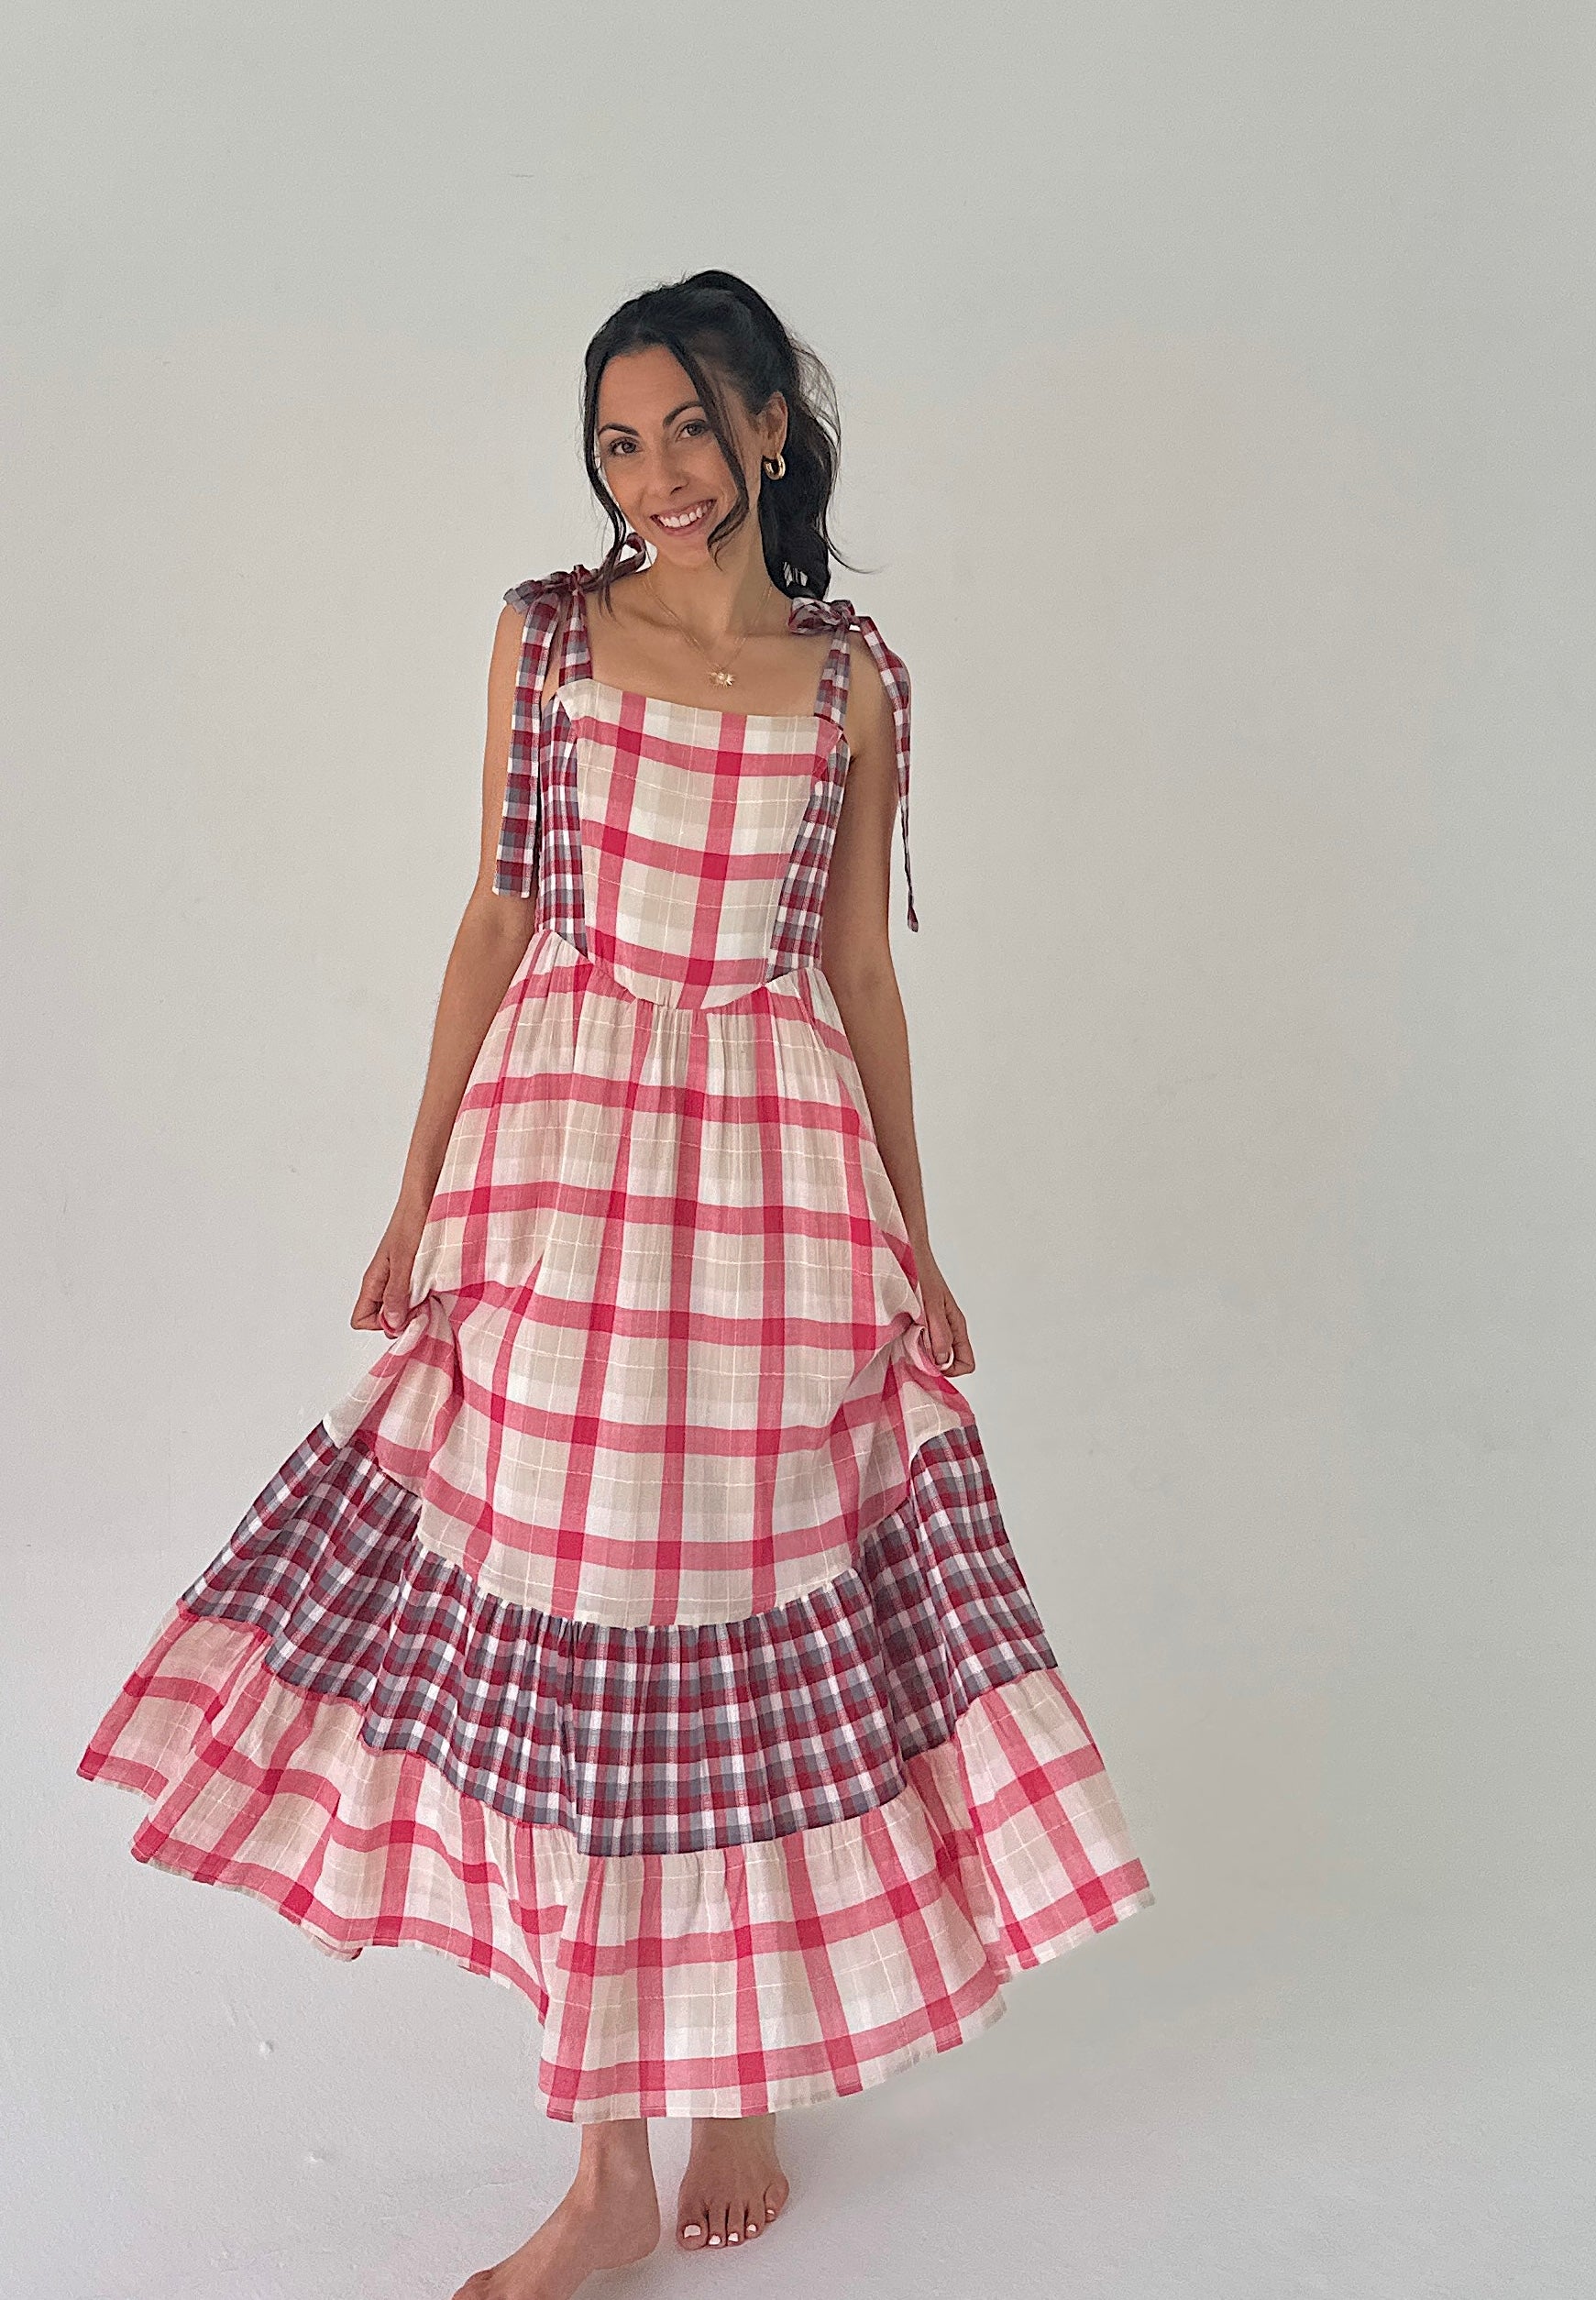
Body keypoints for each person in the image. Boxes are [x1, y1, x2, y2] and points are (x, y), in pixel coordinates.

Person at [77, 269, 1153, 2300]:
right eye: (615, 443)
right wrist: (415, 1190)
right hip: (567, 1155)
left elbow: (857, 970)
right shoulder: (549, 638)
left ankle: (736, 2071)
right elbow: (496, 916)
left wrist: (917, 1236)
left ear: (768, 428)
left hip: (772, 1171)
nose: (653, 476)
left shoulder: (853, 683)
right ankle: (606, 2170)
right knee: (593, 1619)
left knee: (745, 1602)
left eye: (686, 430)